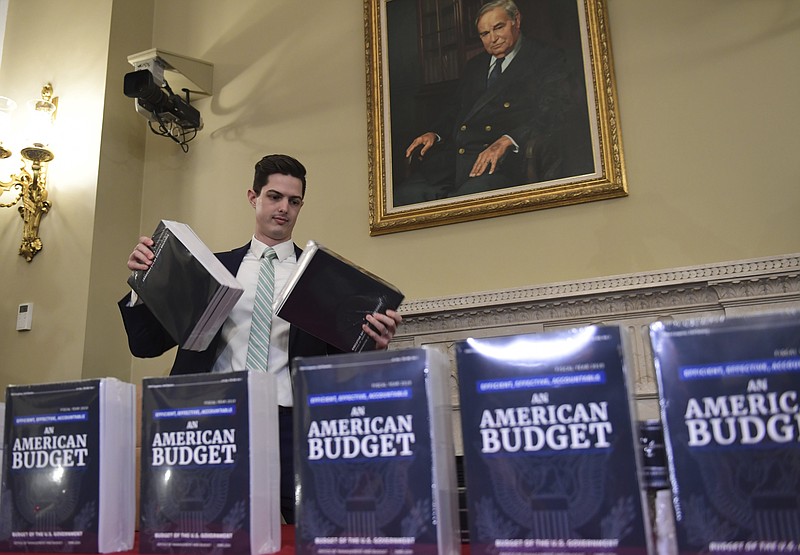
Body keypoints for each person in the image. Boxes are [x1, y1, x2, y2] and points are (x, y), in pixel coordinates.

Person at [118, 153, 402, 524]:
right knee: (199, 524)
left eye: (293, 201)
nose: (283, 208)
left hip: (291, 423)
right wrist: (143, 284)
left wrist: (373, 346)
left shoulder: (322, 279)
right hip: (212, 421)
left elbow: (339, 364)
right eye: (274, 197)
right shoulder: (211, 268)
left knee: (307, 527)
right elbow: (145, 344)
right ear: (253, 197)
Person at [393, 0, 585, 205]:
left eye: (498, 27)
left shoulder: (546, 58)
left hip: (501, 165)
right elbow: (455, 110)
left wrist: (507, 139)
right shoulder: (475, 66)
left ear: (516, 21)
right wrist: (435, 133)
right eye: (484, 34)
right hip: (454, 163)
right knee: (402, 197)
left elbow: (554, 112)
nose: (493, 39)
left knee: (465, 209)